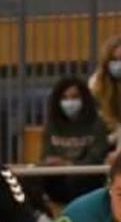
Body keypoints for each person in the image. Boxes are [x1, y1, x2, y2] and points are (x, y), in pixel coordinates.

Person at [38, 77, 109, 206]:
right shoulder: (51, 125)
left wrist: (68, 164)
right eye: (64, 98)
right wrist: (49, 162)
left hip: (87, 178)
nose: (69, 102)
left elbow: (96, 158)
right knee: (29, 179)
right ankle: (43, 217)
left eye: (74, 97)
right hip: (58, 177)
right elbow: (46, 155)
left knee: (76, 180)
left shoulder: (97, 124)